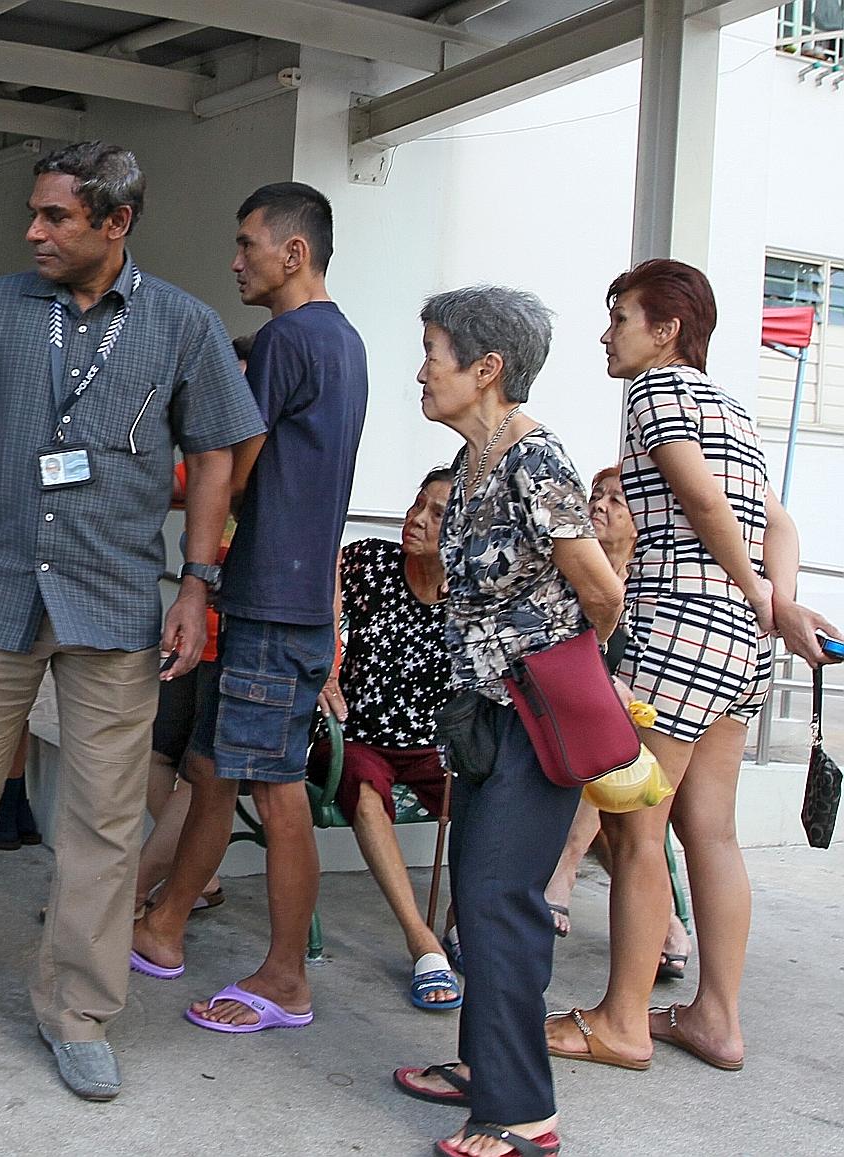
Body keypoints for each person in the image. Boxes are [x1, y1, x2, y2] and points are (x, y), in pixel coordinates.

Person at [0, 141, 263, 1101]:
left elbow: (219, 453)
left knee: (102, 821)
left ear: (116, 223)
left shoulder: (182, 324)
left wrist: (196, 582)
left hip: (116, 598)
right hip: (3, 579)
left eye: (56, 216)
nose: (33, 231)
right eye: (34, 213)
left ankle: (80, 1007)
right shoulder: (2, 307)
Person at [545, 259, 842, 1076]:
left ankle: (622, 1022)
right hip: (737, 651)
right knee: (708, 829)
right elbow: (777, 520)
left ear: (666, 330)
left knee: (633, 826)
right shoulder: (736, 409)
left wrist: (765, 598)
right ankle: (715, 1017)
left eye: (621, 318)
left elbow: (703, 501)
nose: (608, 334)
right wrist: (774, 604)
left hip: (676, 633)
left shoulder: (655, 392)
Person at [131, 182, 368, 1036]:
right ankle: (161, 927)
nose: (236, 260)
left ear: (293, 252)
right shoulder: (343, 341)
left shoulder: (285, 341)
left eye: (246, 244)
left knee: (273, 792)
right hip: (289, 598)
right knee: (212, 773)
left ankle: (285, 975)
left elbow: (232, 465)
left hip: (268, 600)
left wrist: (187, 560)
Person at [393, 286, 624, 1157]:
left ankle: (523, 1107)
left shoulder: (539, 463)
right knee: (477, 901)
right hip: (487, 713)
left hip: (535, 720)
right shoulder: (477, 466)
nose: (422, 369)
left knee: (502, 900)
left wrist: (561, 679)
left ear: (487, 368)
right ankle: (481, 1064)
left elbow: (600, 593)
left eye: (434, 351)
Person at [543, 465, 693, 981]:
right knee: (607, 764)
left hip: (630, 739)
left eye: (617, 501)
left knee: (613, 756)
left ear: (643, 522)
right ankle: (668, 921)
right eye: (596, 494)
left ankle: (564, 868)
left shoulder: (653, 591)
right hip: (570, 726)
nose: (599, 505)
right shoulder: (569, 575)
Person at [325, 465, 459, 1012]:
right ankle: (421, 940)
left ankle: (460, 926)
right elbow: (321, 571)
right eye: (416, 505)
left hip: (434, 745)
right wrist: (328, 665)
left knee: (491, 798)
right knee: (362, 788)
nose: (417, 520)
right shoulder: (372, 562)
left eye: (437, 514)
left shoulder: (470, 592)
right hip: (361, 737)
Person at [131, 332, 256, 914]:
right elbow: (163, 481)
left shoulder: (276, 467)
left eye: (245, 383)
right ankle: (197, 872)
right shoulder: (217, 456)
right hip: (191, 639)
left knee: (201, 778)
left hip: (239, 646)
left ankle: (130, 893)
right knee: (148, 757)